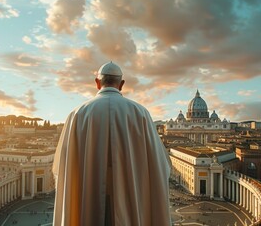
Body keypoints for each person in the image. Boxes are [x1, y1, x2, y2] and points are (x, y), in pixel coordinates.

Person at [52, 62, 172, 226]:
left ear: (97, 82)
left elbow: (62, 167)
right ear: (121, 84)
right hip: (131, 202)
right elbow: (160, 165)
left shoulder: (77, 114)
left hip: (88, 197)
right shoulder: (141, 114)